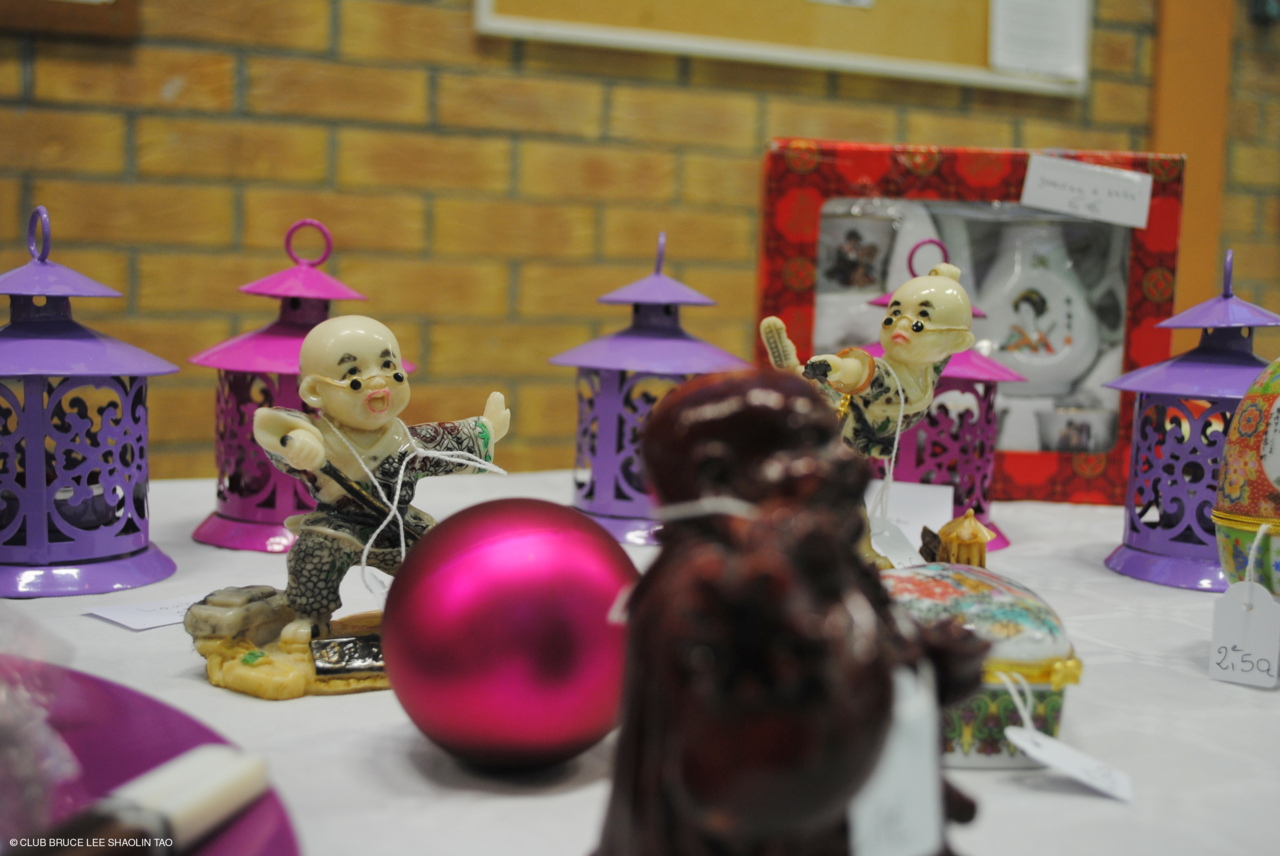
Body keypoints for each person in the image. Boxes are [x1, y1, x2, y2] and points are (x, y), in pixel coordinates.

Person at [594, 370, 987, 856]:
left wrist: (925, 666)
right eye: (811, 445)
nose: (848, 461)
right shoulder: (713, 593)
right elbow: (741, 780)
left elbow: (864, 650)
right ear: (718, 478)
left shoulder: (812, 563)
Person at [252, 315, 510, 639]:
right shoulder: (317, 438)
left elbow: (446, 441)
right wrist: (299, 442)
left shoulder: (408, 442)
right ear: (315, 391)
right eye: (353, 374)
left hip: (398, 526)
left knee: (440, 556)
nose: (378, 382)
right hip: (338, 526)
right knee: (314, 555)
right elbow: (275, 427)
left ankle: (444, 611)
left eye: (389, 367)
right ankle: (310, 618)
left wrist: (487, 430)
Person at [762, 263, 974, 459]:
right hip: (846, 420)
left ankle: (791, 370)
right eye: (895, 313)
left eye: (920, 321)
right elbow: (862, 372)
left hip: (867, 434)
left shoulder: (930, 368)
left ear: (957, 342)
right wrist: (837, 367)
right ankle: (790, 368)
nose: (900, 324)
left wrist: (946, 279)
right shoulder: (888, 376)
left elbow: (944, 344)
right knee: (813, 404)